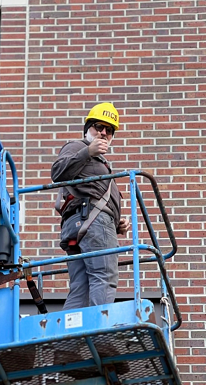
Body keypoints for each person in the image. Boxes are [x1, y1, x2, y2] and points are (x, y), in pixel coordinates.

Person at [51, 102, 131, 310]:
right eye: (98, 127)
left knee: (82, 286)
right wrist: (87, 151)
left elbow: (91, 192)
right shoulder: (77, 147)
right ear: (88, 128)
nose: (104, 133)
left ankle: (73, 332)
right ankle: (97, 329)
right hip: (92, 224)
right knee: (104, 277)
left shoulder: (101, 164)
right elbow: (58, 173)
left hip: (84, 224)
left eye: (110, 130)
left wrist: (116, 223)